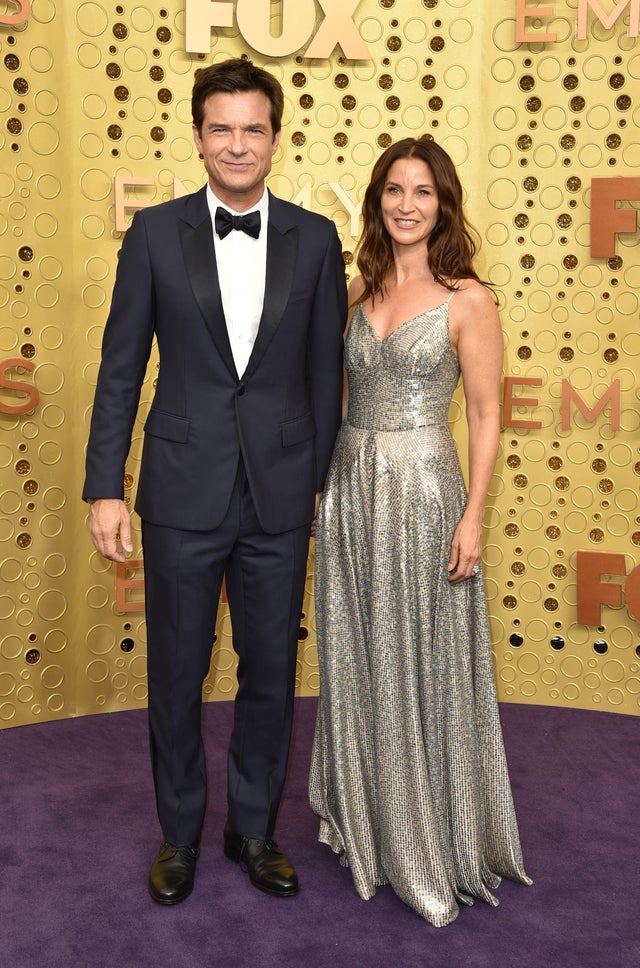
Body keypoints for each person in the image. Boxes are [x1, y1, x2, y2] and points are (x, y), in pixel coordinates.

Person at [83, 57, 346, 905]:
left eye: (253, 129)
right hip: (180, 490)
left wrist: (318, 480)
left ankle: (254, 828)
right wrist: (104, 486)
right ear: (198, 137)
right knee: (176, 672)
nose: (238, 144)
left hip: (279, 496)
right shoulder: (155, 235)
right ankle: (178, 834)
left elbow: (322, 375)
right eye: (222, 128)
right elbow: (121, 367)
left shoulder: (315, 237)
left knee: (269, 671)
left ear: (276, 138)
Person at [309, 137, 531, 927]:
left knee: (421, 656)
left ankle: (430, 830)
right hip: (351, 488)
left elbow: (483, 413)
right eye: (395, 190)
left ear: (444, 205)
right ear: (376, 199)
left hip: (424, 492)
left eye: (424, 192)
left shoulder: (469, 298)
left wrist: (473, 514)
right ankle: (366, 811)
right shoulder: (353, 287)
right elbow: (332, 394)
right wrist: (318, 488)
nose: (407, 204)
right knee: (360, 648)